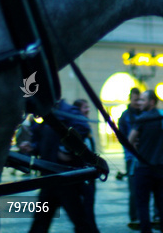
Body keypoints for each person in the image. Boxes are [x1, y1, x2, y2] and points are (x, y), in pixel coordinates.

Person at [28, 99, 95, 233]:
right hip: (48, 180)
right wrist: (31, 148)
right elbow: (40, 140)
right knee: (40, 222)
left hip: (66, 180)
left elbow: (82, 128)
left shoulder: (67, 110)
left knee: (81, 222)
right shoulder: (46, 113)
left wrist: (65, 149)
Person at [128, 90, 163, 233]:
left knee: (142, 204)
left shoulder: (142, 119)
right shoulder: (162, 117)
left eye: (143, 100)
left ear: (151, 102)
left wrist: (136, 145)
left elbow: (129, 141)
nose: (139, 103)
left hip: (144, 168)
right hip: (159, 167)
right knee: (161, 203)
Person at [73, 99, 100, 233]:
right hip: (83, 175)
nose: (88, 109)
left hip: (90, 174)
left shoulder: (85, 127)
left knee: (89, 206)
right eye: (85, 107)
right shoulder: (79, 129)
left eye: (88, 106)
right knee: (86, 207)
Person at [118, 87, 142, 224]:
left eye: (139, 99)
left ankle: (143, 215)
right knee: (133, 189)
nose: (138, 102)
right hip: (131, 158)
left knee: (143, 188)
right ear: (130, 99)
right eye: (135, 100)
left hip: (143, 157)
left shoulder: (144, 113)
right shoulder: (125, 116)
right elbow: (121, 137)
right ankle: (134, 216)